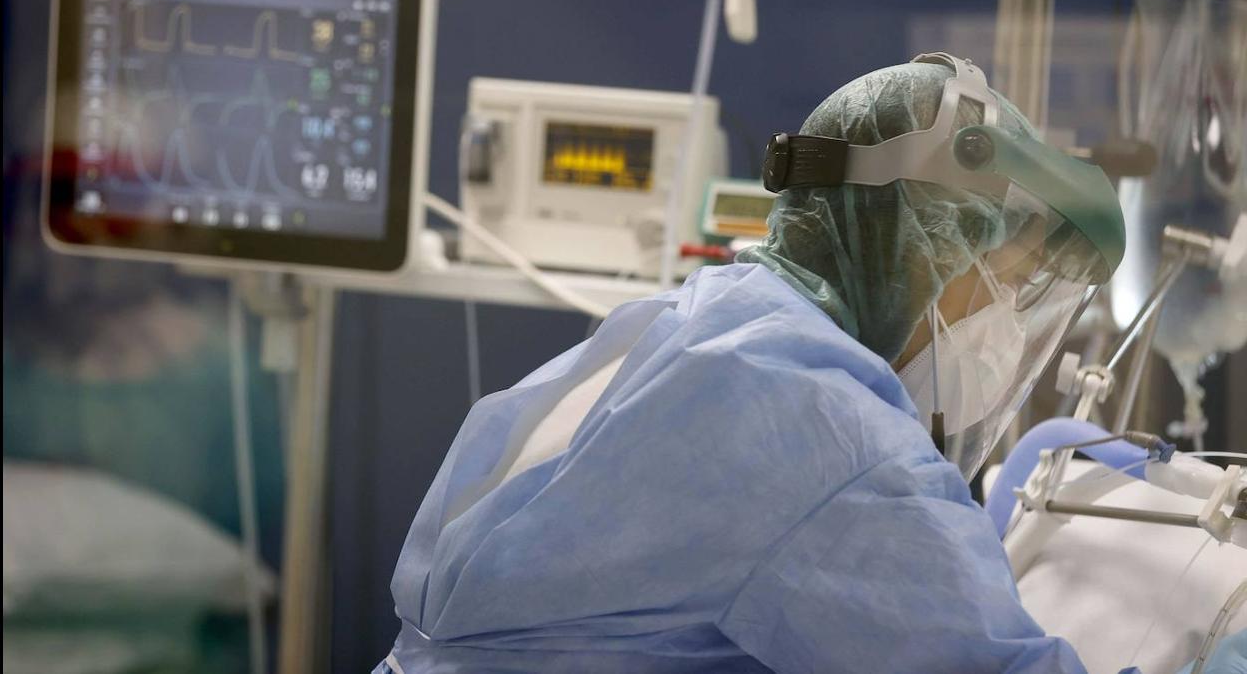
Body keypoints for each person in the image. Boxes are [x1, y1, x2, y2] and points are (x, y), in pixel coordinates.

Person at [375, 54, 1128, 674]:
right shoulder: (828, 439)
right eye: (1006, 282)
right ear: (931, 250)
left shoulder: (692, 327)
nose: (1003, 322)